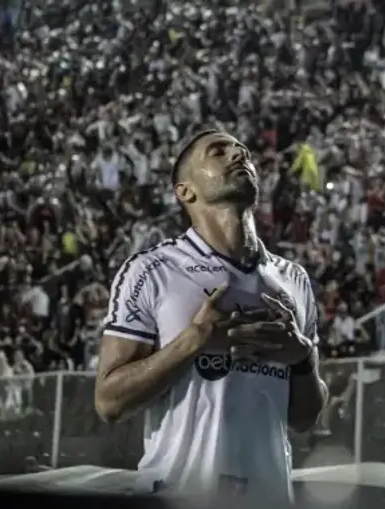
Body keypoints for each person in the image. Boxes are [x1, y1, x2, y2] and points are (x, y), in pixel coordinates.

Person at [94, 130, 328, 505]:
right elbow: (109, 402)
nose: (238, 155)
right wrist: (194, 340)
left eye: (243, 151)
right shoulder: (151, 271)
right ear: (185, 191)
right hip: (177, 496)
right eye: (219, 151)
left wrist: (303, 359)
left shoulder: (294, 279)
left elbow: (304, 419)